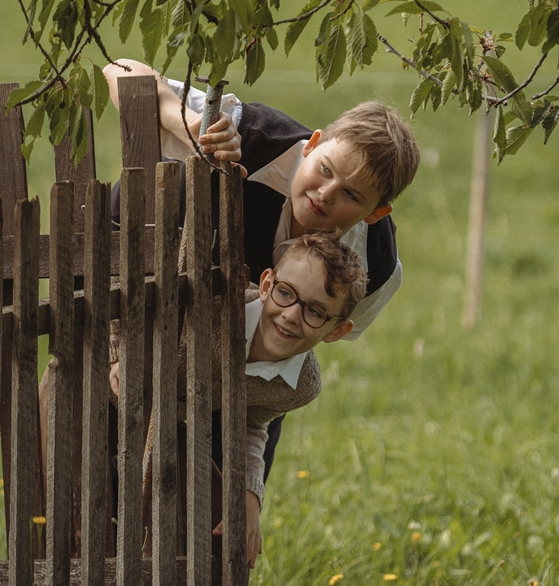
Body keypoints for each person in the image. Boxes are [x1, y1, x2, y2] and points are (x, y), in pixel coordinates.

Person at [103, 59, 420, 481]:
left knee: (222, 513)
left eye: (350, 195)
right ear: (313, 143)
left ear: (376, 213)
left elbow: (290, 350)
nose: (324, 194)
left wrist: (246, 484)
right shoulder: (253, 135)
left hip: (247, 379)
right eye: (324, 169)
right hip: (144, 299)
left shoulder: (376, 268)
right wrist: (196, 128)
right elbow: (120, 70)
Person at [110, 231, 367, 568]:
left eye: (316, 312)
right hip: (92, 397)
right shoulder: (213, 304)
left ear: (336, 331)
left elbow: (250, 422)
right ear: (266, 284)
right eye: (286, 293)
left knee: (213, 515)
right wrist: (116, 353)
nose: (291, 315)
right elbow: (122, 295)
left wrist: (249, 492)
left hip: (159, 429)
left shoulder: (300, 385)